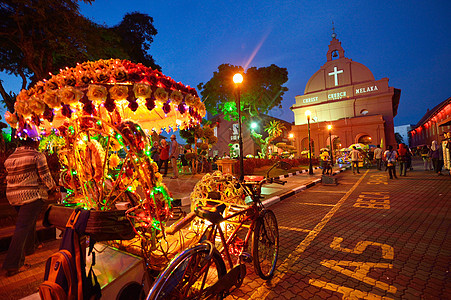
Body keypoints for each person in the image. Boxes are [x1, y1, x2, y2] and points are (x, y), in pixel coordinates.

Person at [2, 137, 58, 276]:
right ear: (34, 142)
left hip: (13, 195)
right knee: (22, 227)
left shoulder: (11, 157)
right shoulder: (37, 156)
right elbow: (46, 177)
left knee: (27, 222)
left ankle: (31, 246)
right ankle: (13, 264)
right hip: (31, 195)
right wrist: (54, 189)